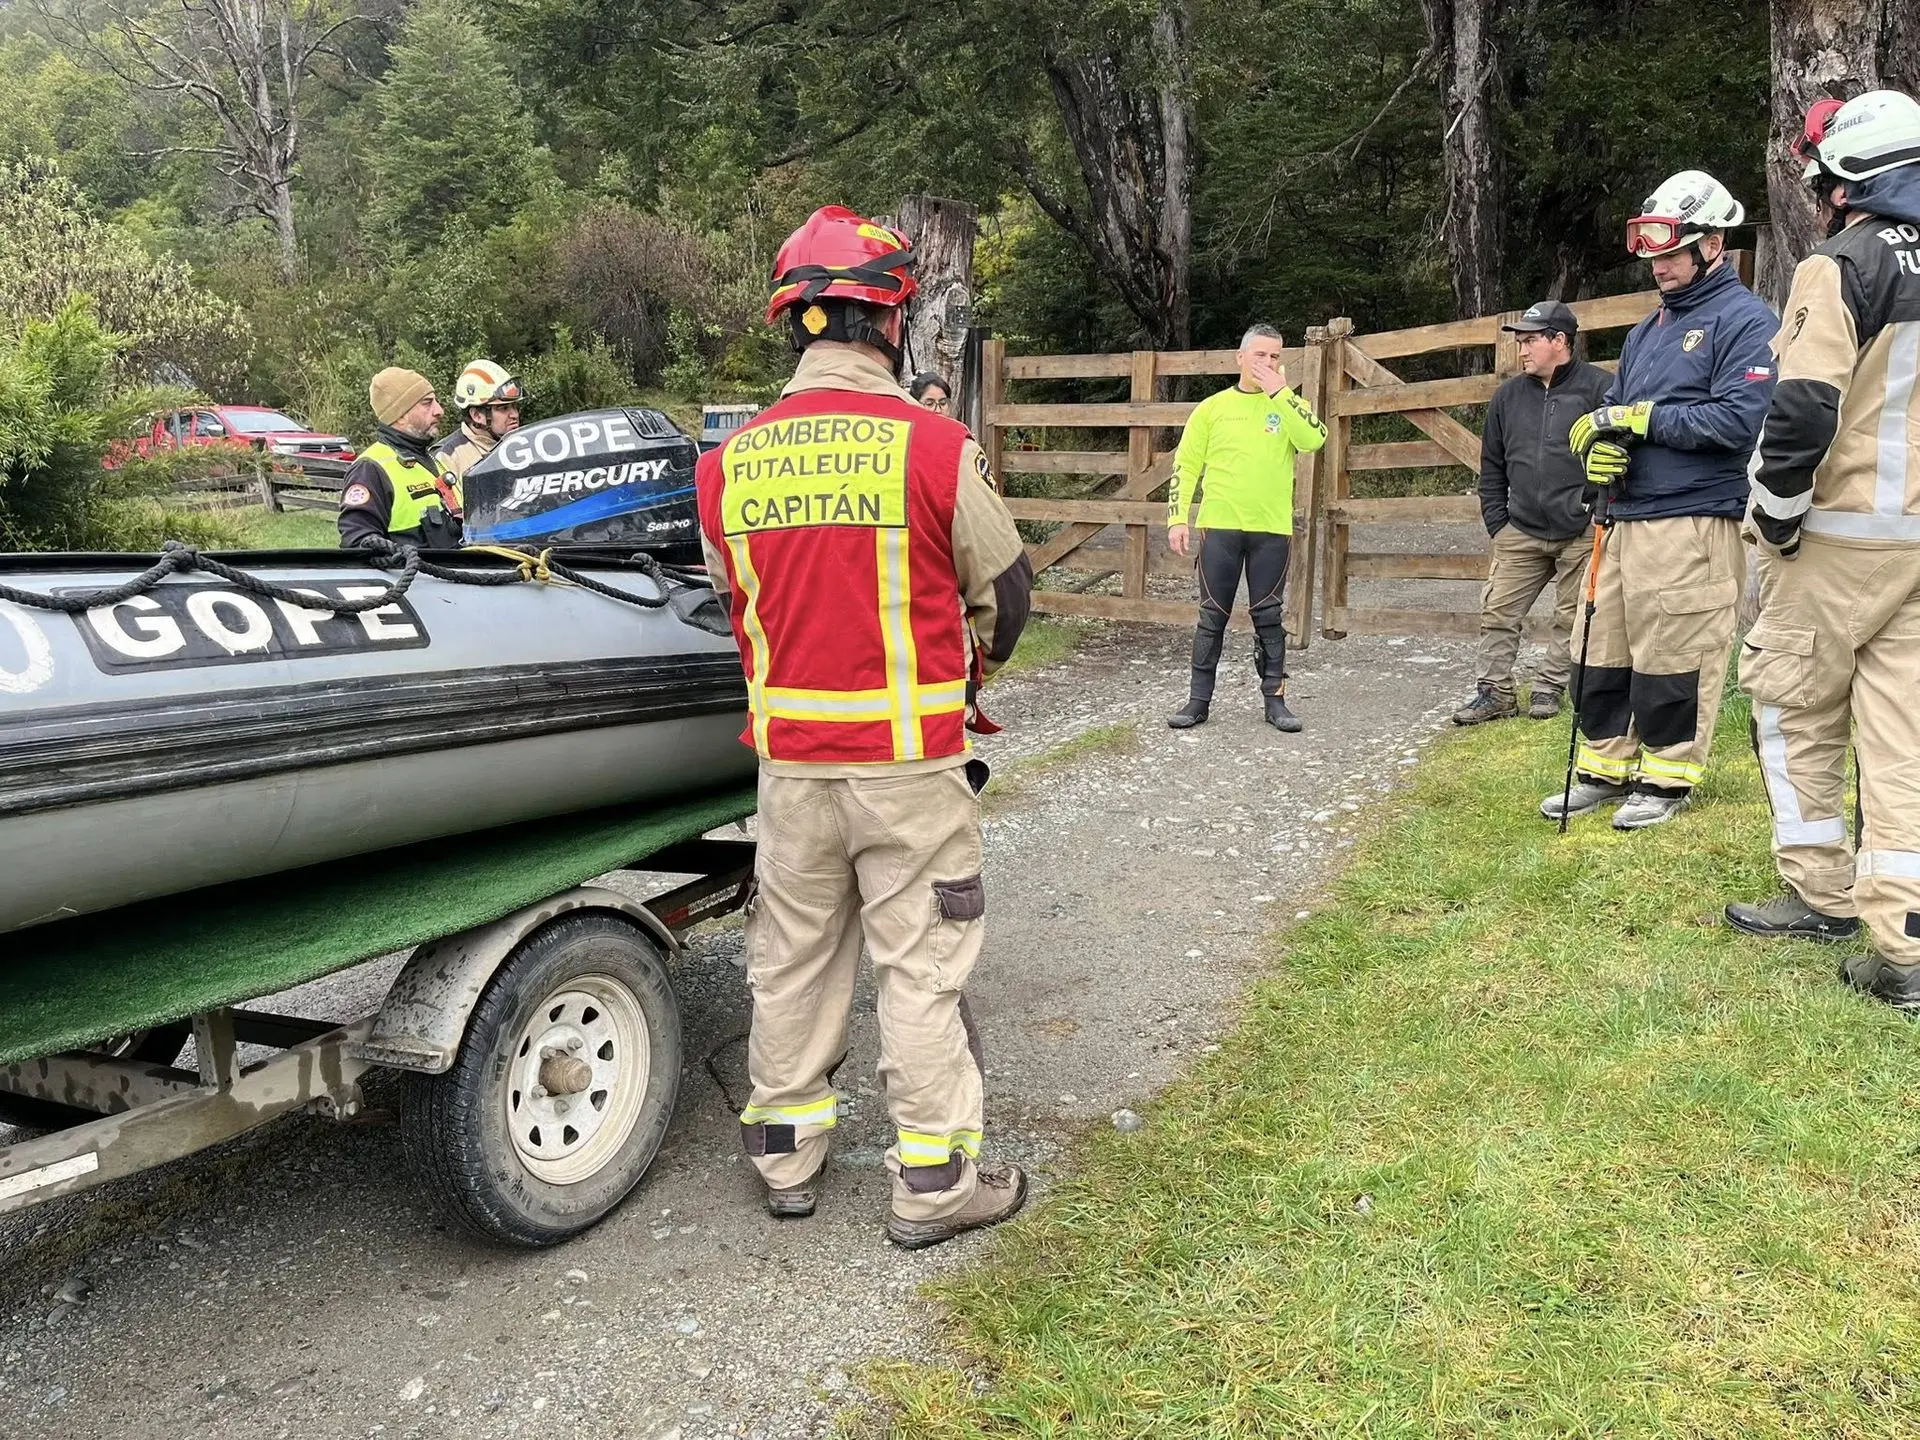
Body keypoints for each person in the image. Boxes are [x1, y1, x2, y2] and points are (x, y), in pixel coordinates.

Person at [693, 205, 1035, 1247]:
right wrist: (965, 661)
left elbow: (734, 603)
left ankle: (786, 1157)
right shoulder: (934, 447)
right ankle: (933, 1185)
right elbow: (1008, 596)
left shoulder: (727, 463)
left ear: (794, 321)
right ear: (891, 318)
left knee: (791, 957)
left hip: (792, 771)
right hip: (908, 766)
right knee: (921, 967)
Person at [1725, 90, 1920, 1008]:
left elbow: (1803, 405)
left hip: (1837, 538)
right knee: (1902, 739)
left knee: (1789, 705)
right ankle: (1904, 945)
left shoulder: (1842, 265)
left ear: (1849, 181)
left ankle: (1820, 891)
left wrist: (1775, 515)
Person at [1551, 170, 1777, 828]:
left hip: (1694, 517)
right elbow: (1618, 409)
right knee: (1600, 645)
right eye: (1653, 257)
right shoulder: (1650, 327)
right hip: (1623, 514)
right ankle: (1604, 764)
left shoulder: (1746, 322)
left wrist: (1644, 421)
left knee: (1675, 651)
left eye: (1672, 255)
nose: (1661, 268)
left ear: (1714, 245)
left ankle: (1667, 777)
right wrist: (1601, 447)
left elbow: (1739, 422)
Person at [1452, 301, 1612, 725]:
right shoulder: (1507, 396)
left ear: (1560, 341)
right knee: (1498, 611)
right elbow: (1493, 466)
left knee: (1572, 614)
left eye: (1530, 341)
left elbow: (1619, 453)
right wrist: (1497, 524)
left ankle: (1549, 687)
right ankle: (1494, 692)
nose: (1521, 350)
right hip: (1520, 529)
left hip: (1580, 527)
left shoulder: (1600, 390)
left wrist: (1600, 510)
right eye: (1519, 341)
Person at [1165, 323, 1328, 733]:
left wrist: (1281, 393)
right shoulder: (1212, 408)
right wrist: (1177, 518)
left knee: (1269, 616)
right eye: (1259, 355)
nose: (1267, 363)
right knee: (1211, 616)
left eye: (1275, 356)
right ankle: (1197, 701)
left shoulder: (1288, 405)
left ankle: (1276, 701)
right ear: (1240, 357)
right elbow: (1185, 466)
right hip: (1219, 527)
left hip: (1270, 530)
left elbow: (1315, 439)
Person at [336, 368, 463, 549]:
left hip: (450, 574)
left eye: (436, 401)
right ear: (400, 415)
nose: (439, 410)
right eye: (427, 403)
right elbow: (357, 541)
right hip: (412, 576)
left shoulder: (432, 462)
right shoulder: (370, 469)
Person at [435, 358, 524, 482]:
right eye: (504, 408)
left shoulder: (522, 443)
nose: (514, 414)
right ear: (477, 415)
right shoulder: (449, 456)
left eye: (515, 406)